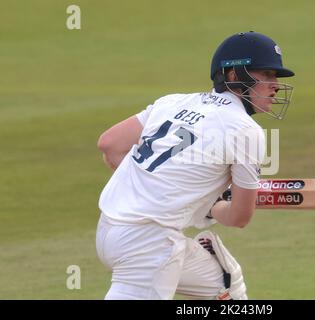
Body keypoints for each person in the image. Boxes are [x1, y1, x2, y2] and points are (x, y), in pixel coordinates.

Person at [95, 31, 295, 300]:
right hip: (150, 247)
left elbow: (110, 145)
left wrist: (155, 188)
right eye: (267, 75)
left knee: (225, 284)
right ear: (234, 76)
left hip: (109, 231)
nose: (275, 85)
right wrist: (214, 205)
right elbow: (239, 218)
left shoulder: (172, 102)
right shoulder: (246, 130)